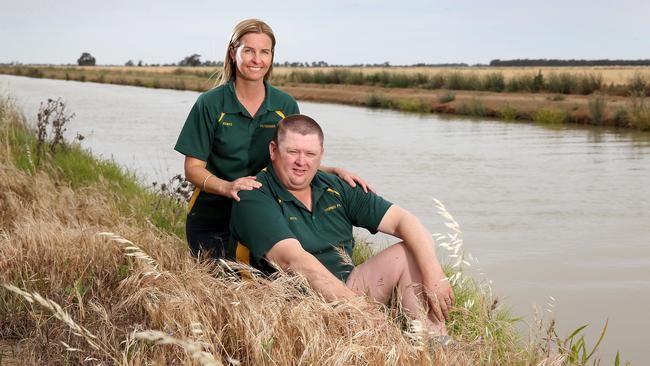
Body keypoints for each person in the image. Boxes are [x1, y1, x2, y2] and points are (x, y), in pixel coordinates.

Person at [227, 115, 455, 337]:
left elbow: (404, 221)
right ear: (273, 151)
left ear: (321, 155)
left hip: (346, 289)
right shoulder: (253, 196)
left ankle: (434, 343)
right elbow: (293, 261)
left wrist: (435, 274)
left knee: (409, 252)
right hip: (292, 308)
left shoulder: (337, 186)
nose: (301, 162)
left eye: (310, 154)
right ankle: (376, 335)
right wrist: (363, 312)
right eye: (292, 152)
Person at [174, 19, 369, 258]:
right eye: (249, 51)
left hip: (264, 216)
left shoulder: (285, 104)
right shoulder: (210, 103)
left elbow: (292, 160)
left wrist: (331, 171)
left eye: (264, 52)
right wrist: (228, 187)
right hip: (212, 218)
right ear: (233, 52)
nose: (257, 59)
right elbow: (192, 169)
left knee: (273, 288)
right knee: (220, 288)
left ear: (272, 56)